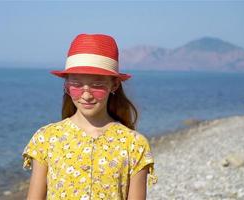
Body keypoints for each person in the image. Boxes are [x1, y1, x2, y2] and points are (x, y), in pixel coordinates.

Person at [22, 33, 158, 200]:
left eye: (97, 85)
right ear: (66, 85)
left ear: (114, 85)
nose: (86, 95)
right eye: (77, 85)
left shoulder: (135, 145)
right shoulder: (46, 139)